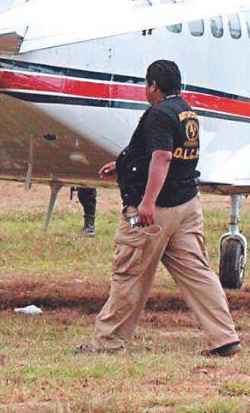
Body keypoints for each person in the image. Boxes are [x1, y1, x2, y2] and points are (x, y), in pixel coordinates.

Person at [77, 60, 241, 357]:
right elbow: (170, 155)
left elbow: (163, 156)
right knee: (198, 273)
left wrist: (147, 202)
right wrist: (124, 165)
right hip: (187, 206)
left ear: (153, 85)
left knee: (129, 274)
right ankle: (224, 337)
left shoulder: (158, 114)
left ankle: (108, 342)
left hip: (157, 210)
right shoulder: (185, 111)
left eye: (145, 84)